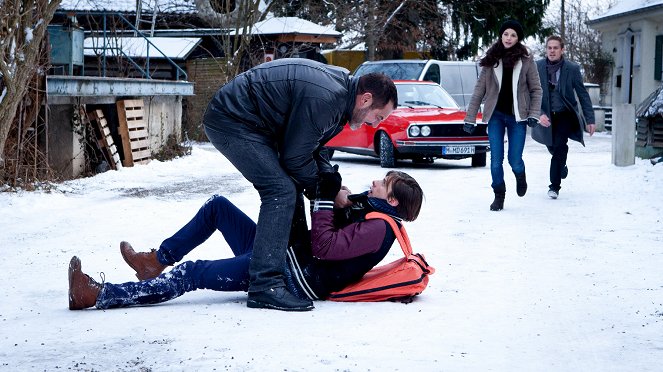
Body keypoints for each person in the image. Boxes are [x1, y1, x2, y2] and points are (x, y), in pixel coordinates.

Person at [68, 171, 424, 311]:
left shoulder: (380, 228)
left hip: (286, 276)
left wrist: (327, 202)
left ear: (392, 201)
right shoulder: (373, 214)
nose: (376, 181)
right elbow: (334, 229)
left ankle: (99, 295)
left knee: (193, 272)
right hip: (283, 254)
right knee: (219, 208)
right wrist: (343, 201)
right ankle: (155, 261)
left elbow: (324, 247)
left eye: (384, 184)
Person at [200, 58, 398, 311]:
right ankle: (265, 285)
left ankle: (282, 262)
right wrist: (327, 192)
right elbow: (294, 157)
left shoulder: (341, 95)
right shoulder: (328, 99)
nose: (376, 124)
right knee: (280, 191)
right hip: (233, 120)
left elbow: (311, 146)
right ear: (366, 99)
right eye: (378, 116)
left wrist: (331, 181)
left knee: (288, 186)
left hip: (253, 125)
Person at [463, 19, 543, 211]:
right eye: (506, 34)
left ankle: (520, 173)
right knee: (495, 159)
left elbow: (536, 90)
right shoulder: (491, 60)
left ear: (518, 38)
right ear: (501, 35)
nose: (509, 38)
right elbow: (478, 90)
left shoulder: (526, 61)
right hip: (496, 116)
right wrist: (470, 117)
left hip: (518, 117)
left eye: (513, 35)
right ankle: (499, 194)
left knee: (514, 159)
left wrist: (533, 114)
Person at [532, 35, 596, 199]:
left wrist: (590, 120)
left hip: (565, 114)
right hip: (546, 116)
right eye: (549, 48)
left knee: (560, 145)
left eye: (555, 48)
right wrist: (539, 114)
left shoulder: (572, 68)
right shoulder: (537, 67)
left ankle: (554, 186)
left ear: (562, 50)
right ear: (546, 49)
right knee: (553, 147)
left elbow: (582, 95)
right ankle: (562, 165)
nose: (552, 51)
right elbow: (531, 93)